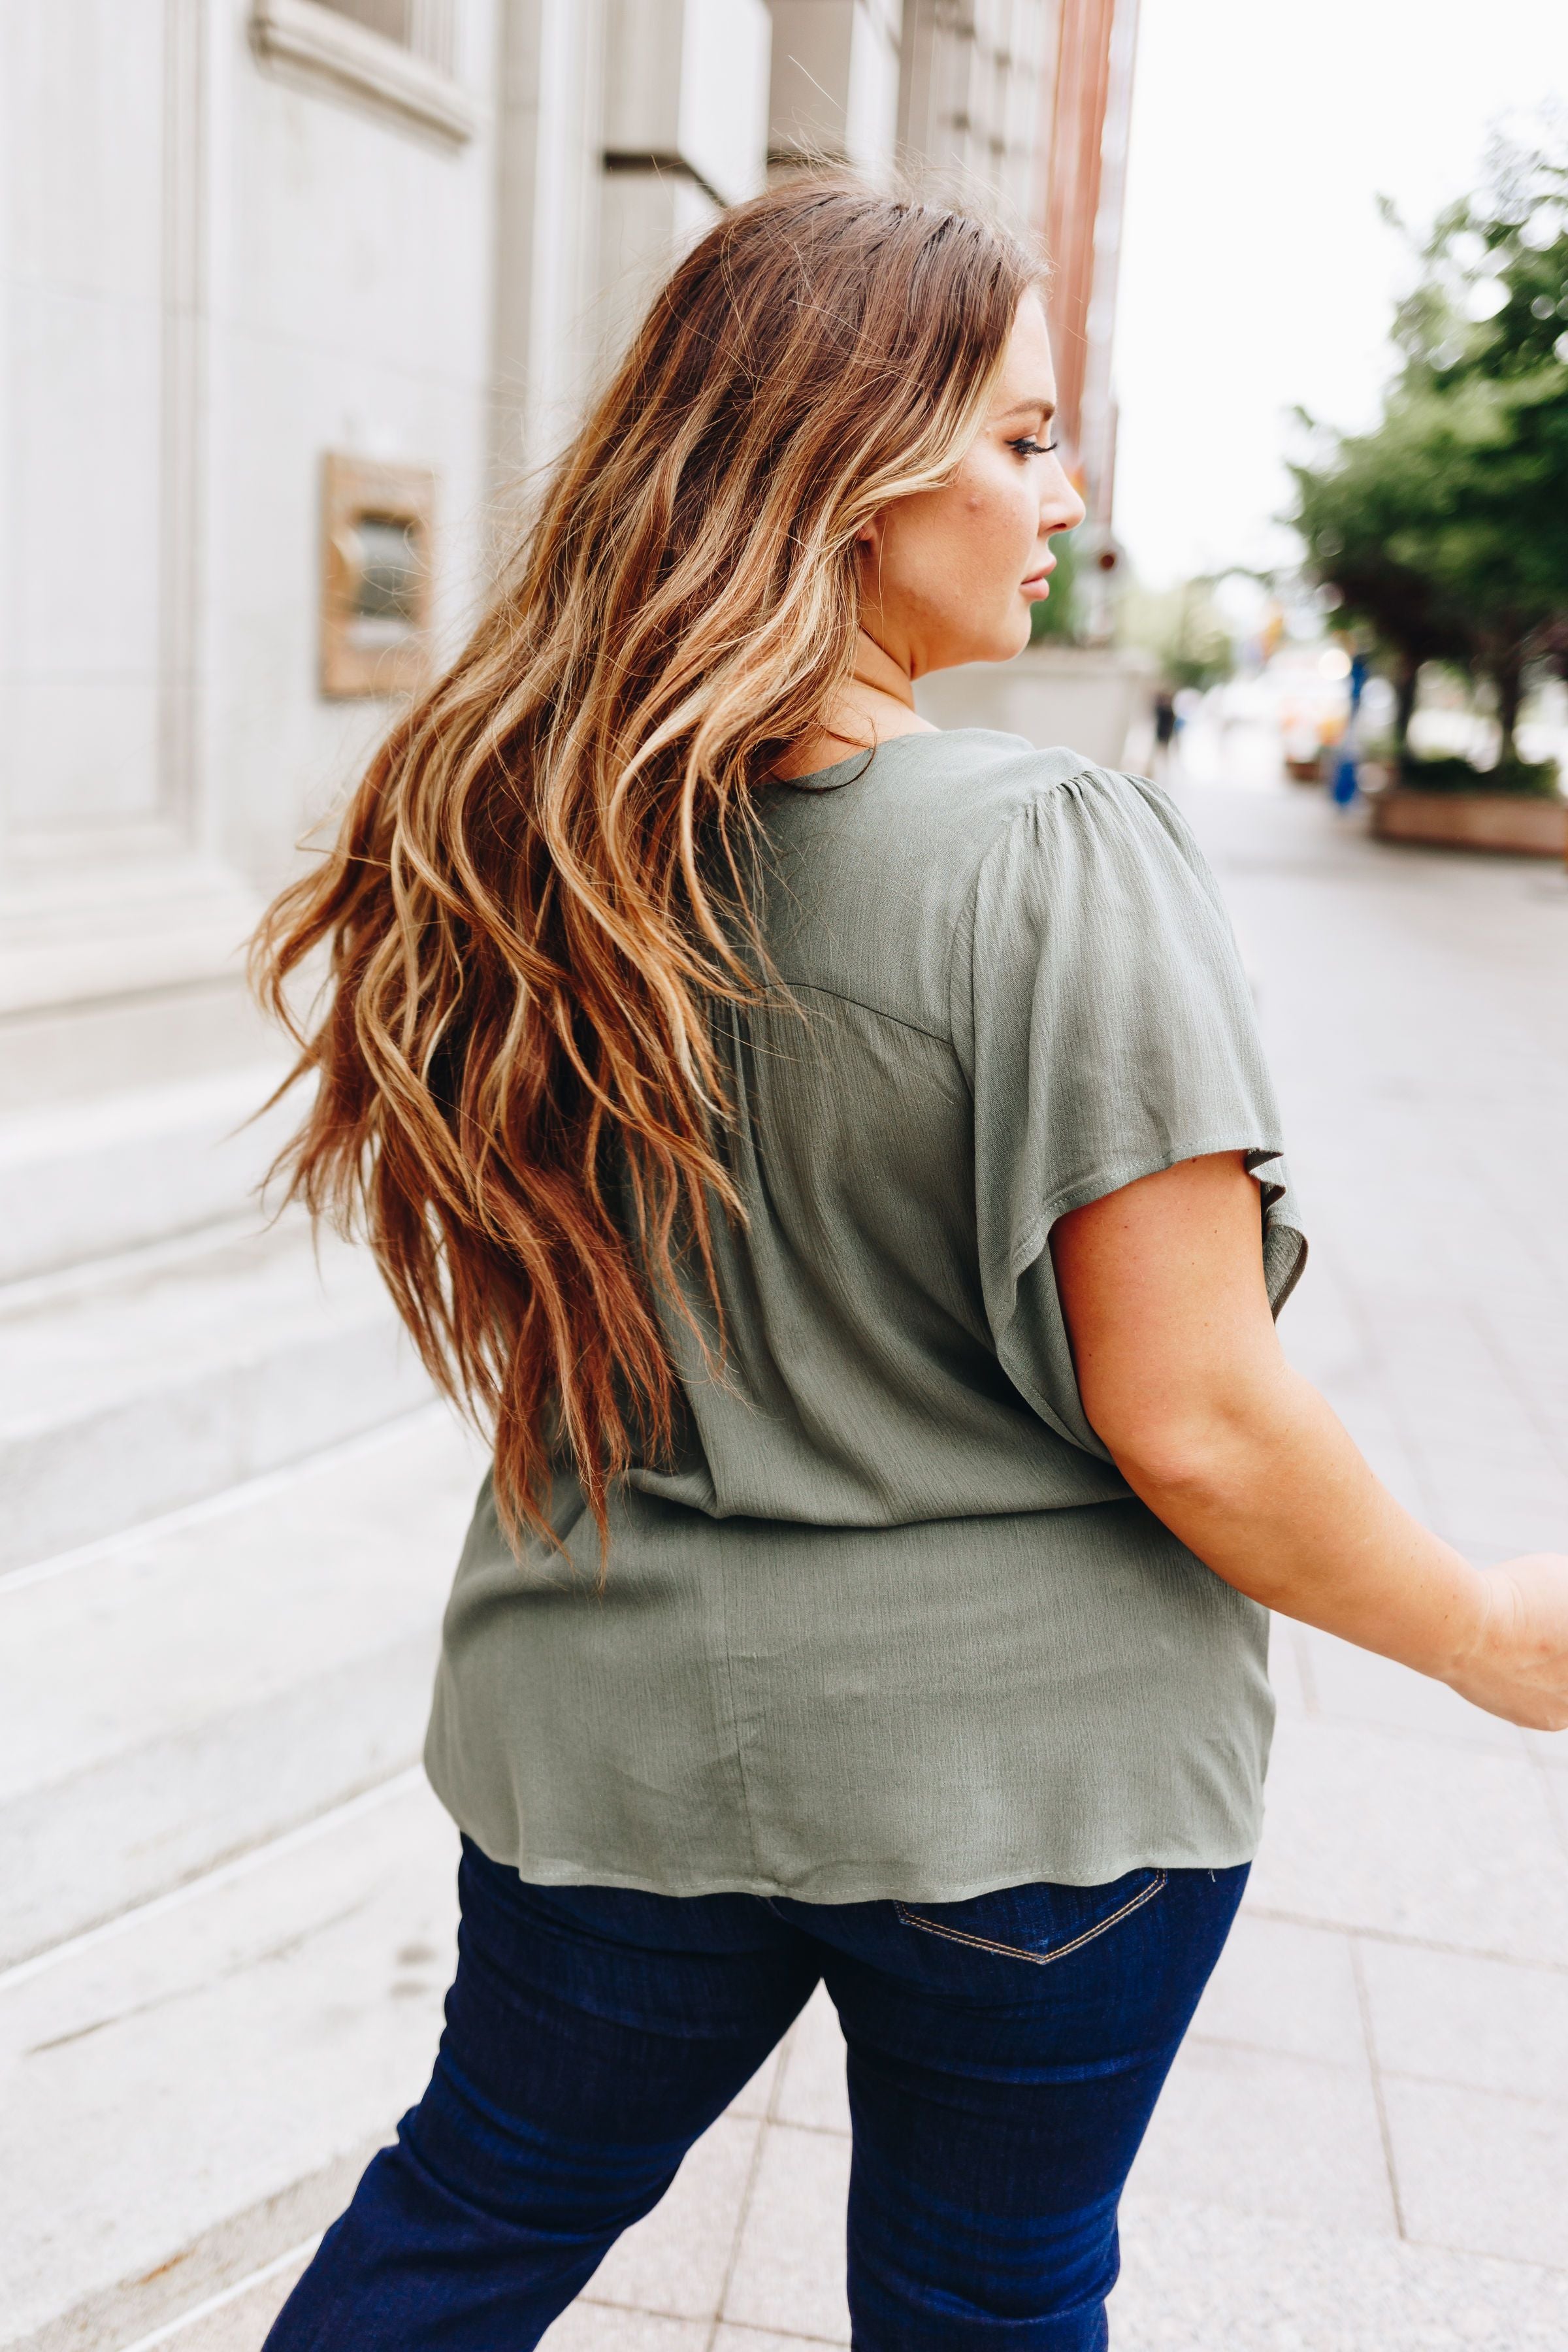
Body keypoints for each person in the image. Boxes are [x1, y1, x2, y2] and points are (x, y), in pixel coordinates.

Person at [254, 180, 1568, 2352]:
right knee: (988, 2295)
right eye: (1025, 436)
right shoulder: (1045, 848)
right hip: (1029, 1796)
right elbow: (1201, 1413)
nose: (1073, 496)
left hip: (607, 1734)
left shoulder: (532, 831)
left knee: (469, 2218)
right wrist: (1482, 1636)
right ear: (850, 470)